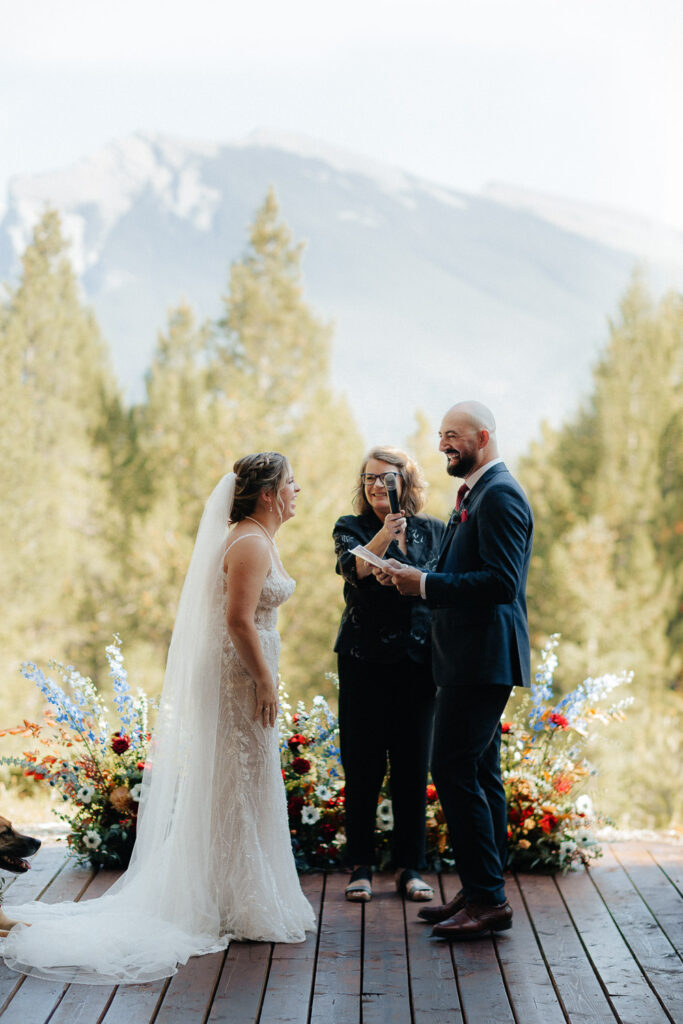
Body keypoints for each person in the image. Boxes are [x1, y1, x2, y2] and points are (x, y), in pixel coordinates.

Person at [0, 453, 315, 983]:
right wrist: (263, 679)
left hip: (244, 672)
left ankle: (235, 891)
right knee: (238, 780)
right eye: (290, 483)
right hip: (240, 675)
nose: (297, 490)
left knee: (241, 782)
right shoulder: (252, 542)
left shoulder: (253, 537)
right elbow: (238, 621)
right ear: (268, 493)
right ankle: (234, 899)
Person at [376, 403, 533, 938]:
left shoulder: (501, 495)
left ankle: (489, 900)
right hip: (465, 658)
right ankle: (479, 887)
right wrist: (415, 573)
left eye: (453, 436)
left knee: (452, 769)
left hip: (484, 658)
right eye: (441, 435)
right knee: (480, 774)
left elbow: (500, 583)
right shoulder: (474, 494)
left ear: (483, 437)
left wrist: (423, 586)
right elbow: (463, 572)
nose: (443, 444)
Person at [333, 446, 445, 903]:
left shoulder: (436, 531)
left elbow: (437, 583)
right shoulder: (351, 527)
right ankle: (360, 866)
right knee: (361, 765)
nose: (377, 485)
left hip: (418, 664)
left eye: (387, 478)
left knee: (412, 767)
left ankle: (410, 867)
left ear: (407, 482)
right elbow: (353, 567)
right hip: (362, 661)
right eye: (369, 479)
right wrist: (383, 537)